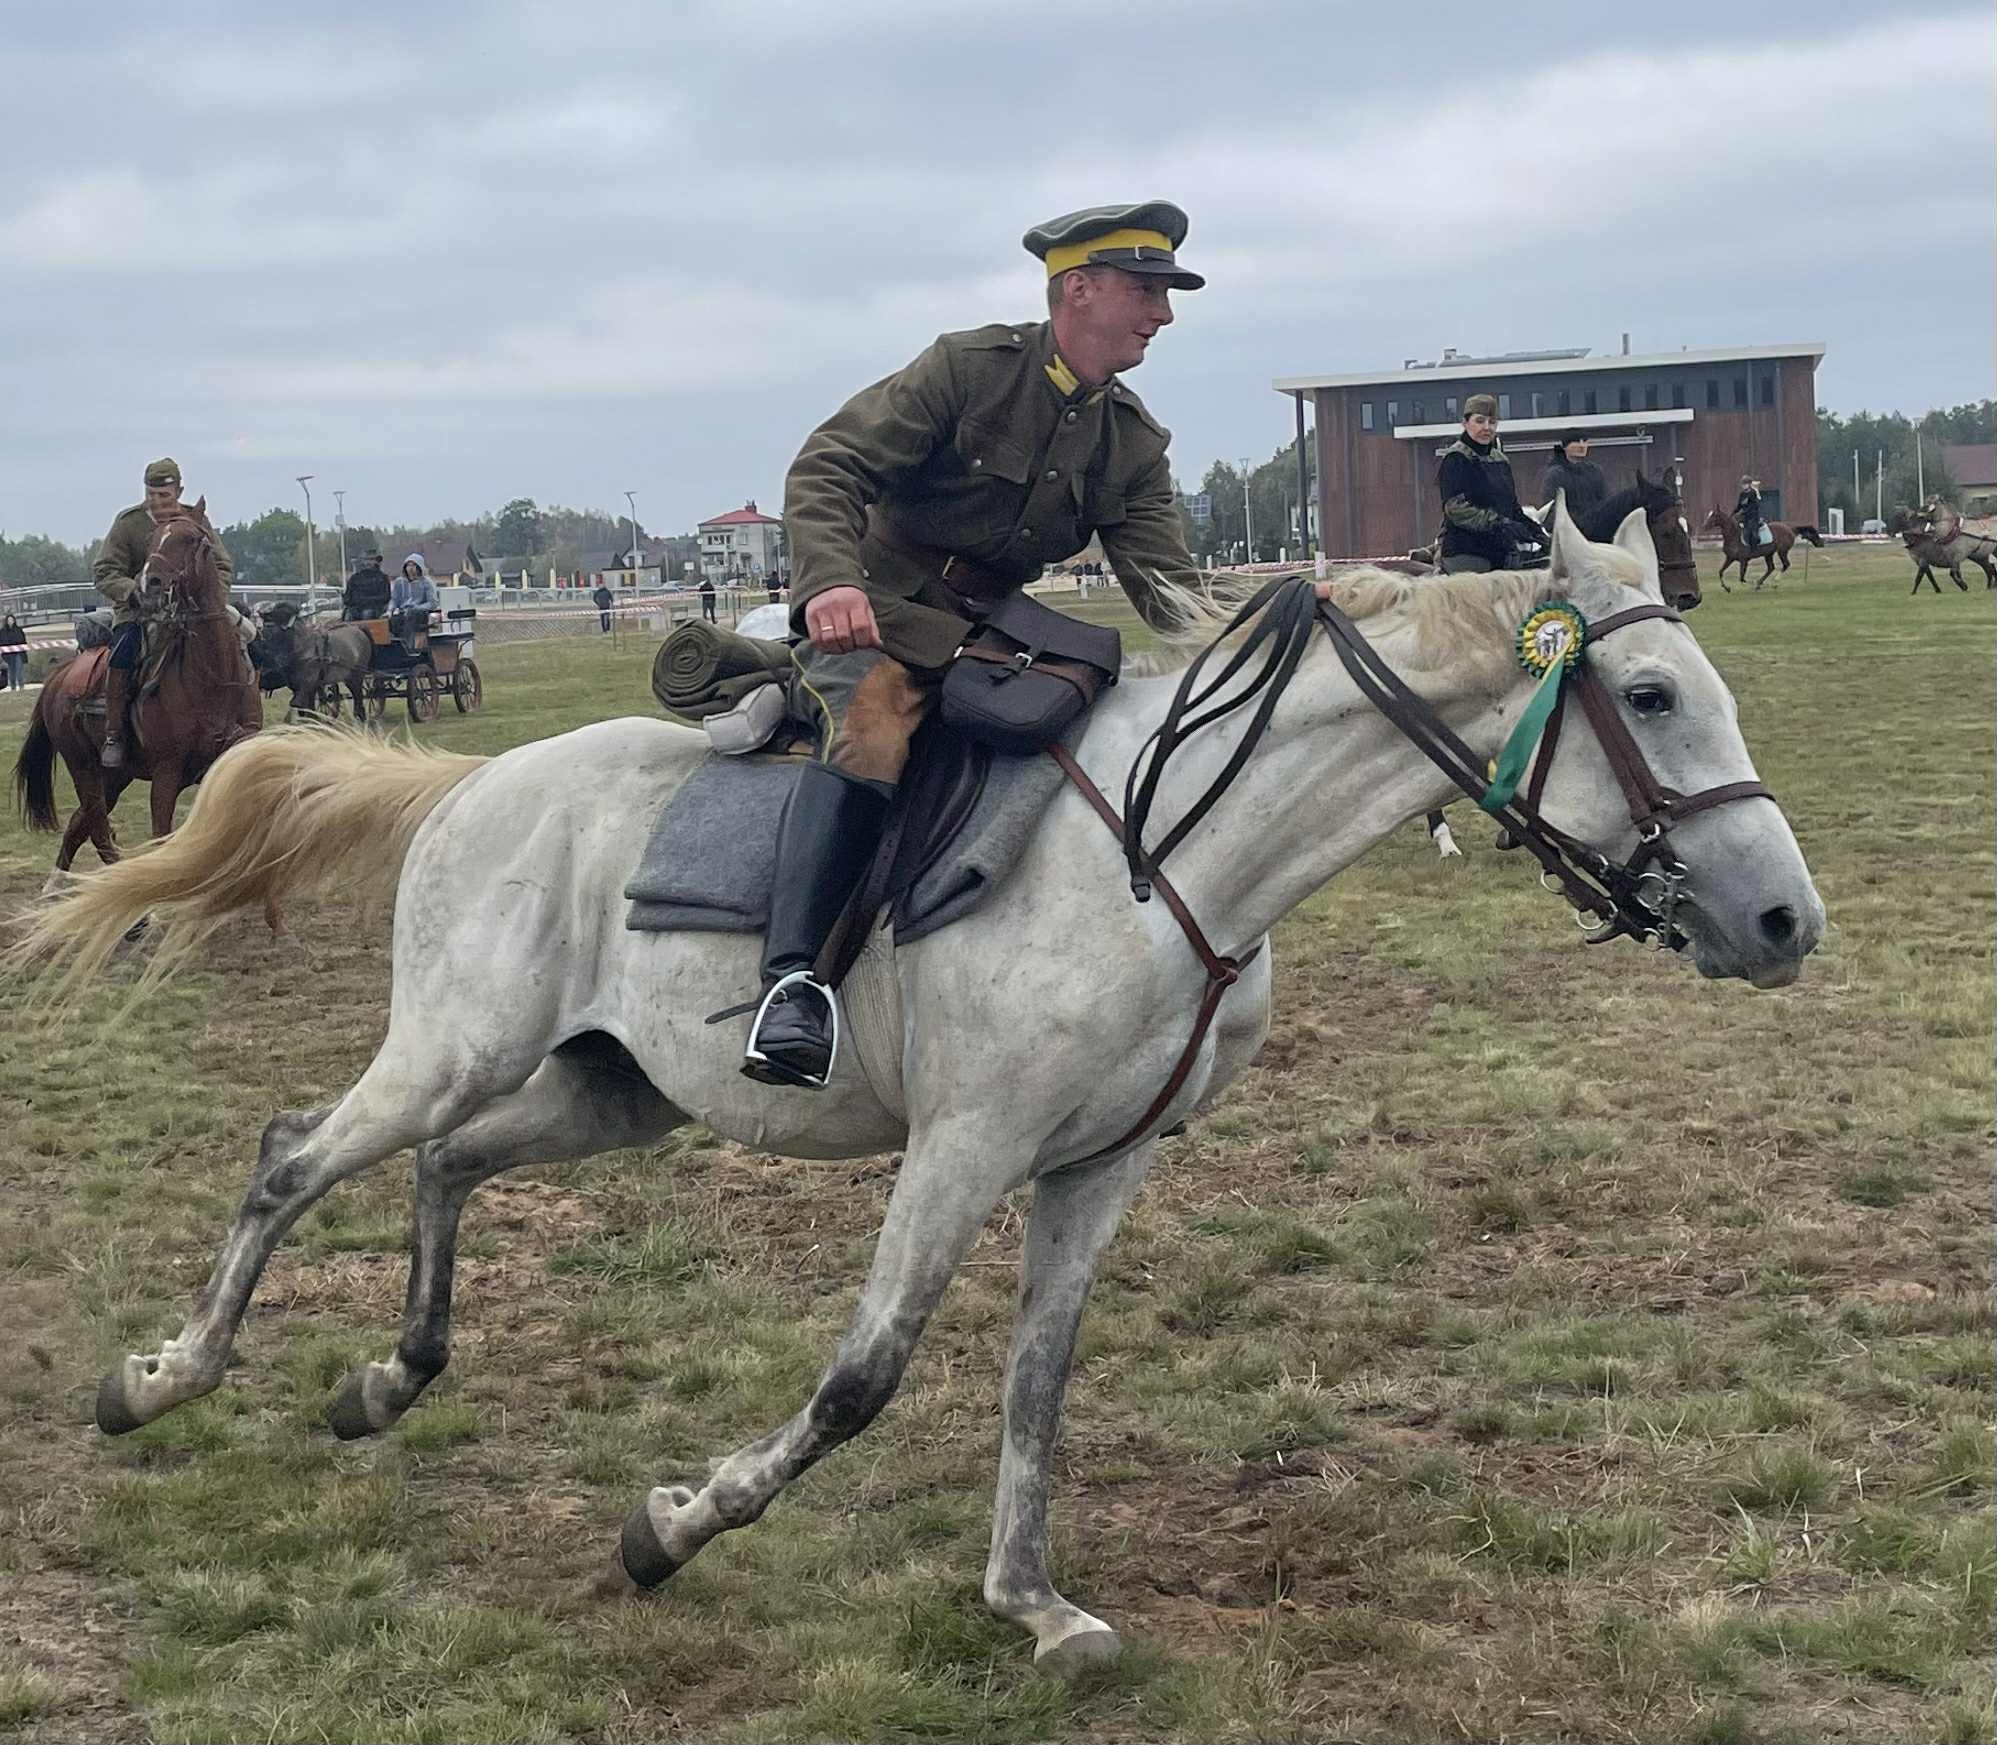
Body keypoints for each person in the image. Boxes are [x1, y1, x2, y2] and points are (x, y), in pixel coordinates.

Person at [745, 200, 1208, 1089]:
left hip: (988, 638)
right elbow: (830, 464)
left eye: (1165, 296)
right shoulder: (968, 369)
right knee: (873, 727)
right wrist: (830, 581)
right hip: (875, 609)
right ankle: (793, 983)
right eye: (1146, 291)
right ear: (1079, 288)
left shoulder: (1131, 440)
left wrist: (1285, 616)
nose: (1163, 314)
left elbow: (1172, 591)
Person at [92, 456, 236, 769]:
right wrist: (133, 592)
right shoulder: (128, 523)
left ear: (179, 491)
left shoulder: (196, 520)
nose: (157, 502)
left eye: (164, 495)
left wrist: (214, 599)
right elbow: (104, 571)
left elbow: (222, 564)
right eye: (151, 495)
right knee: (123, 653)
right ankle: (114, 733)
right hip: (139, 614)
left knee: (245, 637)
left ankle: (244, 717)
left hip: (194, 613)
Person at [1435, 396, 1549, 575]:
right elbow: (1456, 509)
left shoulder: (1500, 460)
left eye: (1492, 422)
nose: (1487, 427)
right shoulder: (1456, 458)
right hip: (1467, 552)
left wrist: (1534, 530)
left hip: (1502, 551)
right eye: (1480, 421)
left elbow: (1512, 507)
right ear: (1465, 423)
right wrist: (1498, 523)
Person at [1542, 431, 1607, 523]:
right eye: (1577, 441)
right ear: (1565, 447)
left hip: (1595, 525)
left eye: (1584, 441)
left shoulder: (1595, 471)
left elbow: (1604, 501)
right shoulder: (1555, 474)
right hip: (1567, 526)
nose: (1582, 445)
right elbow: (1550, 507)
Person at [391, 554, 439, 652]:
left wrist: (417, 607)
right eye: (408, 565)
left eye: (413, 565)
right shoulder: (399, 582)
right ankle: (395, 647)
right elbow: (394, 600)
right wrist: (389, 611)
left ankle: (408, 647)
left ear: (419, 567)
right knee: (392, 621)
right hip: (403, 612)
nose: (410, 568)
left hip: (420, 613)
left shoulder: (426, 582)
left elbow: (433, 603)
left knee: (411, 615)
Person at [343, 549, 391, 621]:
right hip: (356, 608)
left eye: (371, 559)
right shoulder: (355, 578)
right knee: (348, 615)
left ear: (376, 561)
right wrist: (352, 602)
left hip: (375, 609)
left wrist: (368, 601)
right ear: (362, 561)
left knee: (367, 613)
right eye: (366, 559)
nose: (368, 562)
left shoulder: (382, 578)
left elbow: (386, 597)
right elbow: (347, 597)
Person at [1736, 475, 1766, 549]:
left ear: (1749, 484)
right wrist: (1733, 513)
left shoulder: (1753, 493)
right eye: (1742, 484)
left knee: (1752, 533)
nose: (1743, 486)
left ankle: (1755, 548)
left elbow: (1753, 506)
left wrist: (1744, 512)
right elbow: (1739, 506)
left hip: (1753, 516)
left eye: (1745, 484)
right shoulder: (1742, 494)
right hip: (1745, 517)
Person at [0, 615, 26, 692]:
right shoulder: (2, 632)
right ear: (6, 621)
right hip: (8, 656)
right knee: (11, 673)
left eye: (12, 620)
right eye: (9, 620)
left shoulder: (19, 630)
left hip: (18, 654)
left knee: (19, 671)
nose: (10, 621)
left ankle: (21, 687)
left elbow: (23, 641)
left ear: (14, 621)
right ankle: (13, 688)